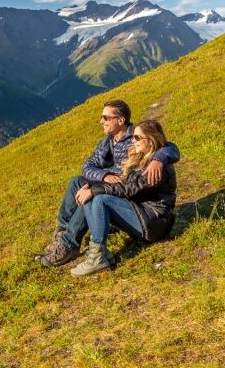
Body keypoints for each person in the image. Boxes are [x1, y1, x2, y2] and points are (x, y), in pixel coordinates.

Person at [35, 100, 179, 267]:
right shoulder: (109, 141)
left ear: (120, 120)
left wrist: (159, 158)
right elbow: (87, 166)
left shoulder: (137, 138)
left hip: (131, 195)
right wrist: (104, 176)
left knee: (91, 194)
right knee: (77, 182)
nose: (101, 121)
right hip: (121, 186)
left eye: (105, 117)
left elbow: (167, 146)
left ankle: (70, 245)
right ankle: (62, 235)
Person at [70, 119, 178, 277]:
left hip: (155, 222)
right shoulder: (140, 157)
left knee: (100, 198)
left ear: (152, 139)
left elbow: (129, 189)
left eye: (137, 138)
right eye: (133, 137)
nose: (133, 141)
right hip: (140, 213)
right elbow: (123, 181)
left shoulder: (158, 169)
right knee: (91, 195)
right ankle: (99, 253)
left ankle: (97, 257)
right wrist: (91, 187)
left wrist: (95, 191)